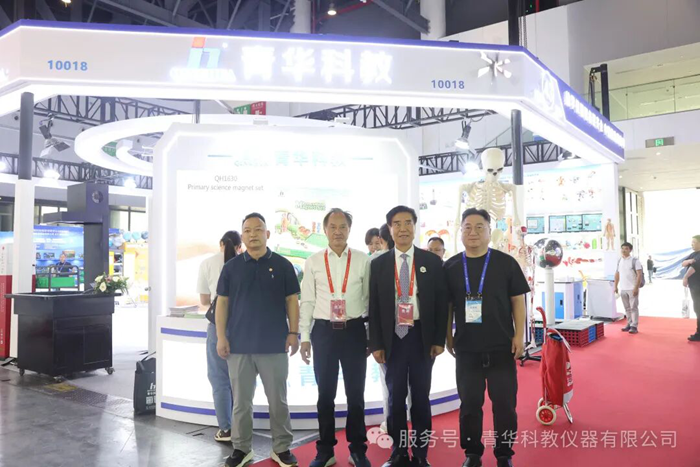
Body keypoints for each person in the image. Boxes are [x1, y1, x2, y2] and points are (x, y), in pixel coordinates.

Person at [444, 208, 529, 467]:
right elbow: (448, 306)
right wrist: (448, 336)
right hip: (467, 348)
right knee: (470, 405)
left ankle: (504, 454)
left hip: (501, 346)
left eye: (479, 227)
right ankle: (472, 453)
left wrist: (519, 335)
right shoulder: (451, 267)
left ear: (490, 232)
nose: (473, 232)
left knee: (504, 405)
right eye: (467, 227)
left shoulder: (506, 263)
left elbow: (518, 301)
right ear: (460, 232)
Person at [216, 213, 300, 467]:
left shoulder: (283, 265)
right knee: (241, 403)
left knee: (278, 401)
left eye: (258, 229)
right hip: (238, 346)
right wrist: (221, 337)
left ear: (267, 234)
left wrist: (293, 333)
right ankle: (241, 449)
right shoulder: (231, 267)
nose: (252, 234)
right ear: (242, 236)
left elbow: (292, 301)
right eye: (247, 230)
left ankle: (281, 448)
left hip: (274, 345)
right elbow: (222, 303)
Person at [369, 205, 448, 467]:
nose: (402, 229)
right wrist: (376, 343)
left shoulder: (431, 262)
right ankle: (399, 452)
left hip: (421, 336)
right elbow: (374, 307)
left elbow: (441, 304)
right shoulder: (379, 264)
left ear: (415, 227)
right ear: (389, 229)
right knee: (395, 398)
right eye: (397, 224)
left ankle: (421, 454)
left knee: (421, 397)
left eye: (407, 223)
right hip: (392, 337)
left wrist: (438, 340)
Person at [300, 208, 372, 467]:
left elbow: (369, 301)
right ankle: (326, 450)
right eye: (333, 227)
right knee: (325, 394)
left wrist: (369, 336)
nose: (338, 231)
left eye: (343, 227)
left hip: (354, 331)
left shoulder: (363, 260)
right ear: (325, 230)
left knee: (356, 394)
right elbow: (307, 301)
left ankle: (357, 449)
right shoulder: (313, 261)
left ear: (349, 230)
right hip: (324, 332)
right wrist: (304, 337)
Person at [197, 230, 242, 442]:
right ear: (240, 246)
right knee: (242, 379)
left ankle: (226, 429)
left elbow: (204, 300)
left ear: (221, 243)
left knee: (219, 378)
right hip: (242, 325)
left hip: (218, 326)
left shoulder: (207, 263)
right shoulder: (244, 263)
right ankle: (242, 427)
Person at [614, 242, 644, 335]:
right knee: (627, 308)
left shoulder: (635, 261)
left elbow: (639, 275)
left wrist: (636, 288)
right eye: (622, 248)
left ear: (630, 250)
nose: (624, 250)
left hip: (632, 288)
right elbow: (617, 274)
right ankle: (629, 323)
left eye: (626, 249)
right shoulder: (620, 260)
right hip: (623, 288)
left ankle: (634, 326)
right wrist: (615, 286)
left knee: (633, 307)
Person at [682, 235, 700, 342]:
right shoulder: (693, 254)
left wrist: (685, 277)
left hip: (698, 286)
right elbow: (683, 263)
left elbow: (694, 267)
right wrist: (689, 261)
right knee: (697, 309)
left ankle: (699, 333)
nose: (691, 244)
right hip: (694, 286)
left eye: (694, 242)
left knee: (698, 309)